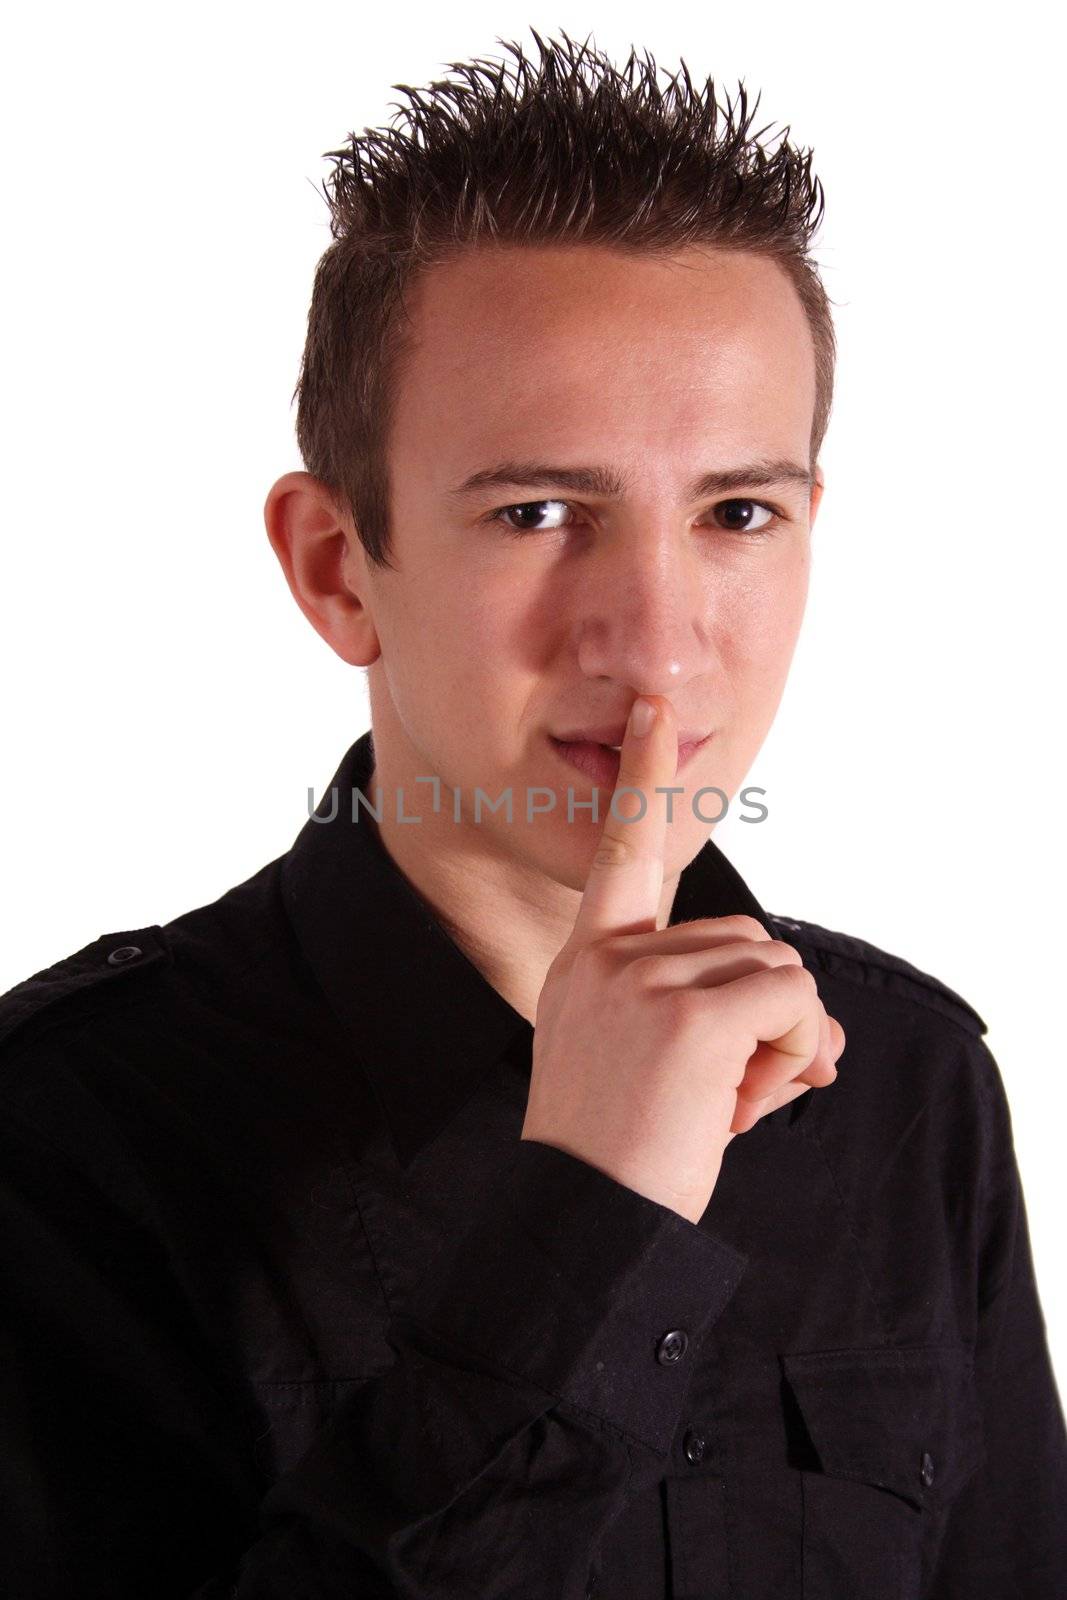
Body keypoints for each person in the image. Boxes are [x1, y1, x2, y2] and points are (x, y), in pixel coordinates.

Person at [1, 26, 1063, 1599]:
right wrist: (593, 1219)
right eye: (538, 512)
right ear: (337, 566)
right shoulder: (65, 1134)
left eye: (737, 513)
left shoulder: (910, 1084)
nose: (656, 636)